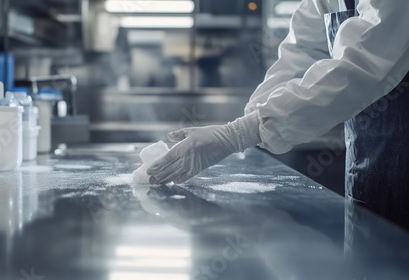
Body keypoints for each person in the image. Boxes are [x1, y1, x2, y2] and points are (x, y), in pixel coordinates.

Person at [147, 0, 409, 229]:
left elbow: (362, 64)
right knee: (371, 262)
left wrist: (238, 134)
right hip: (367, 168)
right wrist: (248, 124)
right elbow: (302, 54)